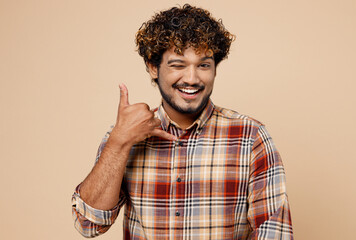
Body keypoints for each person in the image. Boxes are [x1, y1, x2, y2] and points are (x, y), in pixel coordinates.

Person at [72, 4, 293, 239]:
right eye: (178, 65)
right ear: (153, 67)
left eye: (203, 65)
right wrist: (119, 142)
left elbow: (275, 233)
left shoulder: (250, 136)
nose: (191, 78)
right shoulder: (126, 135)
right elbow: (89, 224)